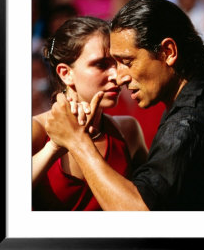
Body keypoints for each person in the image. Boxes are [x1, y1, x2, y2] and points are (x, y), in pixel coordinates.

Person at [45, 0, 204, 211]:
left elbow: (139, 214)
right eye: (104, 64)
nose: (119, 77)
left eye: (127, 62)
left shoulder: (189, 121)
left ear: (168, 52)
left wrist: (78, 143)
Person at [32, 16, 148, 211]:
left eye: (118, 63)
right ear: (65, 73)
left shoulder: (128, 130)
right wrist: (54, 147)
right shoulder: (36, 130)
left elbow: (150, 207)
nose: (116, 76)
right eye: (101, 65)